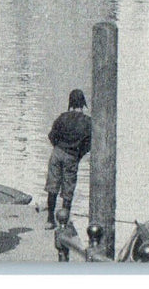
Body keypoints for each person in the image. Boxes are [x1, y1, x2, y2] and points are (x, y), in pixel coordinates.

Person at [44, 89, 92, 230]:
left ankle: (50, 219)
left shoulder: (62, 117)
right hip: (72, 155)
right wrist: (78, 155)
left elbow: (52, 136)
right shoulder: (88, 122)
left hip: (57, 152)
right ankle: (63, 223)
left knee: (52, 186)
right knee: (68, 190)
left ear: (70, 102)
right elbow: (88, 144)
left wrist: (58, 147)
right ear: (83, 104)